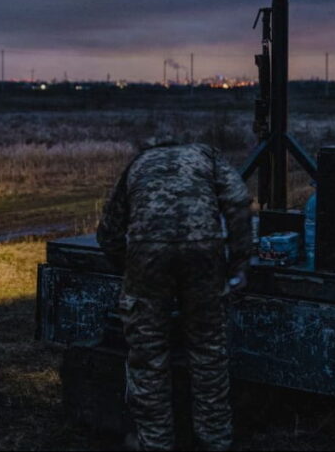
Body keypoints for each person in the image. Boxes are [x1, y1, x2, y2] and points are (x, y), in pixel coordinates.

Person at [96, 134, 252, 451]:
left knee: (148, 357)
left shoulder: (138, 165)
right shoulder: (208, 157)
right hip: (204, 252)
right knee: (208, 351)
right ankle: (215, 439)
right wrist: (238, 264)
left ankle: (155, 442)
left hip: (147, 253)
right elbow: (237, 201)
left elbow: (109, 232)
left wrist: (130, 270)